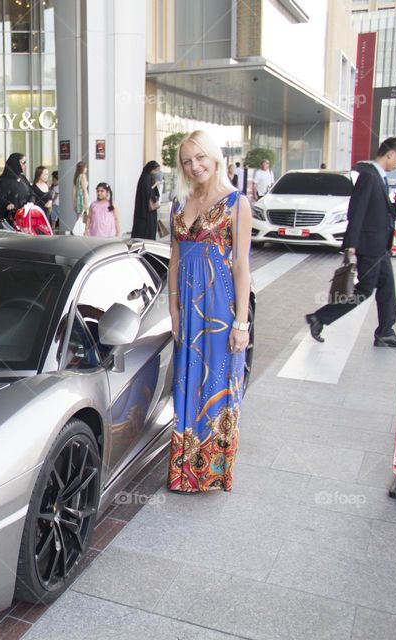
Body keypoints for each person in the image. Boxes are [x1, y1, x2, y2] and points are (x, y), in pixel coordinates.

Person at [168, 130, 252, 493]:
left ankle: (213, 471)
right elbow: (173, 259)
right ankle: (185, 471)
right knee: (185, 381)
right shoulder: (178, 201)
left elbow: (242, 266)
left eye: (200, 157)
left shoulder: (236, 203)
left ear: (215, 157)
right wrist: (172, 308)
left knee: (215, 382)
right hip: (186, 307)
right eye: (187, 161)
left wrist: (242, 323)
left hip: (219, 305)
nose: (194, 166)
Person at [306, 137, 396, 348]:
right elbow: (356, 211)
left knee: (387, 289)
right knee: (364, 290)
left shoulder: (379, 177)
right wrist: (350, 246)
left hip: (379, 246)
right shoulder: (369, 176)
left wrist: (395, 210)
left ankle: (385, 332)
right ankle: (319, 318)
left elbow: (378, 211)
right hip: (369, 246)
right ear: (390, 154)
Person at [0, 153, 33, 223]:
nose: (25, 165)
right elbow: (0, 199)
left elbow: (32, 193)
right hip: (12, 219)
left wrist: (29, 205)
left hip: (26, 216)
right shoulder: (3, 181)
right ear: (15, 163)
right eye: (23, 163)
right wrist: (8, 204)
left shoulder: (23, 178)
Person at [131, 160, 162, 239]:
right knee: (147, 230)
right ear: (150, 168)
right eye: (155, 170)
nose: (156, 172)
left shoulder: (146, 176)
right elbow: (147, 191)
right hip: (146, 210)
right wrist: (155, 184)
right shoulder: (146, 177)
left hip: (144, 209)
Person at [73, 161, 90, 233]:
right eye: (85, 167)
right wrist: (87, 200)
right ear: (82, 168)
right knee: (86, 216)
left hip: (78, 198)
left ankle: (78, 231)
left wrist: (73, 202)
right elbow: (84, 189)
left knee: (79, 217)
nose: (86, 169)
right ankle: (84, 232)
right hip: (82, 198)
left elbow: (74, 190)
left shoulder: (77, 176)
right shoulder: (83, 176)